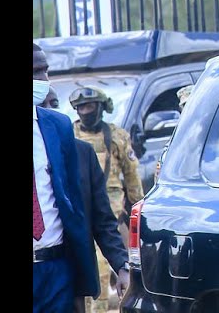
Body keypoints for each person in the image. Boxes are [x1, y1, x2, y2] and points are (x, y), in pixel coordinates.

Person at [34, 43, 100, 313]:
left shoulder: (57, 127)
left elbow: (73, 204)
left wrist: (81, 282)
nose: (43, 81)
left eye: (44, 71)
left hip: (56, 269)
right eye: (35, 72)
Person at [70, 86, 144, 313]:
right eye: (81, 107)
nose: (85, 111)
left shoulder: (117, 136)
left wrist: (139, 207)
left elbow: (132, 176)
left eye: (90, 106)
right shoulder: (68, 135)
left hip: (111, 213)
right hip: (79, 212)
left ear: (101, 108)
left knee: (109, 267)